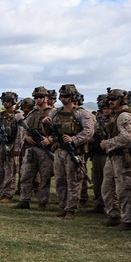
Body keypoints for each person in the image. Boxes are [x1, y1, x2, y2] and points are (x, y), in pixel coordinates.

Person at [44, 84, 94, 219]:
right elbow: (49, 133)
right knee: (60, 180)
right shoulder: (55, 113)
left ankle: (71, 209)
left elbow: (89, 131)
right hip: (59, 150)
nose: (62, 98)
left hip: (73, 151)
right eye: (61, 96)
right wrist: (45, 124)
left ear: (73, 97)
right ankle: (63, 206)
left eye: (65, 96)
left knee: (73, 180)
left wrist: (74, 139)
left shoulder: (82, 113)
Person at [99, 88, 131, 230]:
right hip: (113, 156)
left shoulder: (124, 116)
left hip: (123, 156)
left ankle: (127, 220)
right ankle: (113, 215)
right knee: (107, 188)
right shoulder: (115, 115)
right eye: (109, 99)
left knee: (124, 189)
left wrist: (108, 143)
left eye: (114, 99)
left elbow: (127, 137)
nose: (110, 102)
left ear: (122, 100)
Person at [15, 87, 54, 210]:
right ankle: (24, 200)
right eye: (36, 97)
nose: (38, 99)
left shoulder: (53, 112)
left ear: (46, 98)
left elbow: (59, 130)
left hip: (46, 150)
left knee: (45, 177)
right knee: (26, 174)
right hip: (31, 148)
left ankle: (42, 202)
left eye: (41, 97)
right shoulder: (32, 113)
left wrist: (50, 139)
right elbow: (24, 128)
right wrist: (26, 137)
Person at [0, 91, 24, 203]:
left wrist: (17, 148)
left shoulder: (18, 116)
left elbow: (20, 133)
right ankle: (1, 192)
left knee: (10, 171)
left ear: (13, 102)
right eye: (4, 101)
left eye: (8, 101)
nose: (5, 103)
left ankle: (8, 194)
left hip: (11, 146)